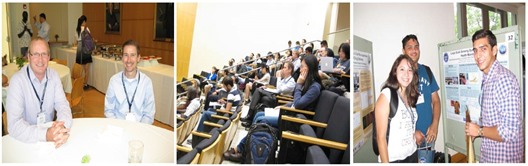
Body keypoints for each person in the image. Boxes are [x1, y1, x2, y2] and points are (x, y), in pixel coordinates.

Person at [224, 54, 322, 162]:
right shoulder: (308, 84)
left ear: (309, 68)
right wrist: (284, 106)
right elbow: (295, 102)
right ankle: (245, 149)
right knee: (258, 115)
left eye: (302, 66)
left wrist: (299, 85)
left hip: (294, 121)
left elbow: (298, 104)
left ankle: (241, 150)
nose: (300, 69)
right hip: (290, 113)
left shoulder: (314, 87)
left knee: (262, 119)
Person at [465, 29, 523, 163]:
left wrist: (479, 131)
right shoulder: (487, 78)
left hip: (503, 158)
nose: (477, 55)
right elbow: (493, 119)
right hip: (489, 155)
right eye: (475, 50)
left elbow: (510, 130)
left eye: (483, 49)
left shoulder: (504, 80)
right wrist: (476, 128)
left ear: (494, 50)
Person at [6, 37, 71, 148]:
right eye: (35, 54)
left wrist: (61, 127)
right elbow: (14, 125)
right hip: (26, 141)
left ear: (49, 57)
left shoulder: (54, 76)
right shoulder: (17, 81)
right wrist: (45, 134)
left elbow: (62, 105)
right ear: (28, 57)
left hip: (52, 140)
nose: (40, 60)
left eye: (44, 54)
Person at [374, 54, 419, 163]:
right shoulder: (386, 95)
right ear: (395, 72)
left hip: (412, 154)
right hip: (394, 159)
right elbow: (381, 138)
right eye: (402, 69)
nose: (406, 74)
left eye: (410, 70)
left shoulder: (410, 95)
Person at [401, 34, 441, 148]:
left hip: (429, 135)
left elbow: (436, 101)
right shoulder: (400, 75)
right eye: (409, 47)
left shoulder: (426, 70)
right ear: (403, 51)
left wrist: (435, 125)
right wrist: (412, 133)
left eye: (416, 46)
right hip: (408, 138)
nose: (414, 50)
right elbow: (396, 110)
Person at [104, 40, 155, 124]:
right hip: (118, 126)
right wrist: (118, 127)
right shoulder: (114, 81)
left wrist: (138, 129)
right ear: (122, 57)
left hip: (140, 128)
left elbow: (149, 114)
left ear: (138, 58)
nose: (129, 60)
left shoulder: (146, 82)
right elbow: (108, 110)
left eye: (132, 55)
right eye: (126, 55)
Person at [241, 62, 296, 126]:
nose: (282, 69)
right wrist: (267, 88)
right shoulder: (285, 79)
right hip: (276, 96)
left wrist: (278, 77)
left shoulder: (292, 82)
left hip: (280, 100)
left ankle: (249, 116)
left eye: (285, 67)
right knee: (261, 92)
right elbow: (277, 89)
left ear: (290, 70)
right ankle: (250, 119)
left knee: (258, 90)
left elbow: (279, 90)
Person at [74, 15, 93, 90]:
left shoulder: (77, 30)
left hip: (79, 49)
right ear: (84, 21)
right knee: (86, 69)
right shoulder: (86, 28)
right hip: (86, 49)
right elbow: (90, 39)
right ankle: (85, 84)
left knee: (80, 69)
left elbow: (75, 42)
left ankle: (78, 84)